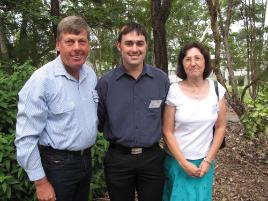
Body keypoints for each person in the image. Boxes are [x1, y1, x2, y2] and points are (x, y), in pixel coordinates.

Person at [15, 16, 98, 201]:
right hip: (57, 166)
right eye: (69, 41)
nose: (77, 47)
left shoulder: (90, 75)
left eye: (82, 41)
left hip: (85, 161)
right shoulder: (41, 81)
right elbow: (25, 138)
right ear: (58, 45)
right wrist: (40, 182)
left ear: (88, 45)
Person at [96, 22, 170, 201]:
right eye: (129, 43)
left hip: (152, 159)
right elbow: (99, 121)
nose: (135, 49)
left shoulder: (161, 80)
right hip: (118, 160)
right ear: (119, 45)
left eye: (140, 43)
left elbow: (168, 120)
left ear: (146, 45)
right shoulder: (105, 84)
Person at [162, 42, 226, 201]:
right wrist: (184, 163)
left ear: (205, 61)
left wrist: (207, 161)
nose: (193, 63)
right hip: (177, 163)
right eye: (187, 59)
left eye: (197, 58)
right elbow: (167, 131)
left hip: (204, 163)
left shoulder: (217, 89)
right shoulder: (174, 90)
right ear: (182, 64)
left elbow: (220, 127)